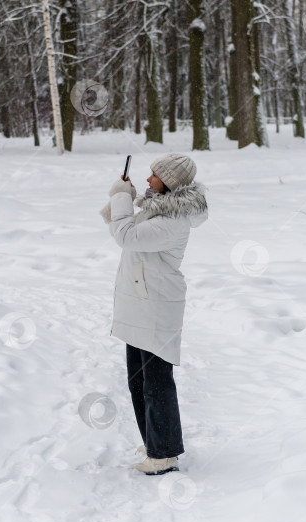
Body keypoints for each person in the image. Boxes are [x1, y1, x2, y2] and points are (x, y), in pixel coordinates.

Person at [98, 153, 208, 476]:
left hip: (156, 307)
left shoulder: (173, 219)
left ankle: (164, 455)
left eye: (154, 175)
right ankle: (155, 441)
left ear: (170, 182)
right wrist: (124, 198)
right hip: (143, 304)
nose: (147, 180)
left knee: (156, 383)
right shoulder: (157, 209)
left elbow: (126, 237)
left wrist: (120, 197)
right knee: (139, 380)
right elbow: (124, 226)